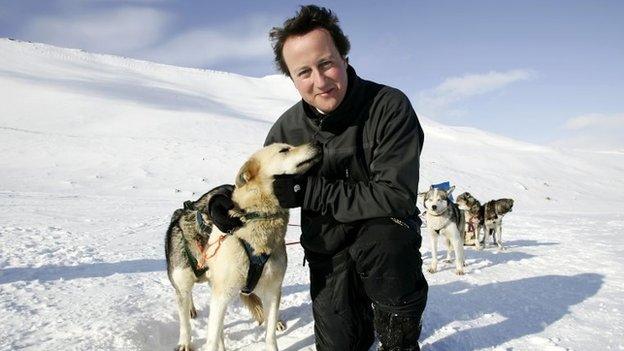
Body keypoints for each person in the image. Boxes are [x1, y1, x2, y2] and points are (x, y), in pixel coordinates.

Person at [209, 5, 427, 351]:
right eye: (304, 72)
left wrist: (310, 191)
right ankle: (360, 316)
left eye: (326, 63)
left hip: (384, 239)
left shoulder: (388, 107)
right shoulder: (287, 129)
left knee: (385, 241)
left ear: (343, 56)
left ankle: (399, 337)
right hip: (327, 246)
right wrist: (224, 200)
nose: (320, 81)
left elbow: (395, 196)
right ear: (292, 79)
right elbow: (264, 183)